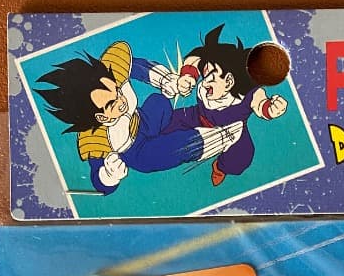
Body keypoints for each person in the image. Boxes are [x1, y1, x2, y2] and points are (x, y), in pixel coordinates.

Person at [36, 41, 241, 194]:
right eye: (112, 104)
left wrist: (167, 81)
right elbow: (97, 178)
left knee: (159, 101)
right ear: (100, 117)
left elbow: (137, 67)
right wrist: (108, 175)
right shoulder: (93, 137)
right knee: (158, 154)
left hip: (144, 120)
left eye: (117, 91)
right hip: (135, 151)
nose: (121, 100)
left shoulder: (111, 70)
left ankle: (185, 126)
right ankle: (216, 139)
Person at [167, 24, 288, 186]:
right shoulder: (212, 71)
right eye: (205, 75)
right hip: (197, 116)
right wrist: (188, 76)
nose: (205, 81)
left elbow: (261, 105)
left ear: (229, 81)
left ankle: (220, 168)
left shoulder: (248, 94)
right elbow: (197, 57)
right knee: (168, 120)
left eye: (211, 77)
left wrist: (272, 109)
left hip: (231, 131)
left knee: (242, 156)